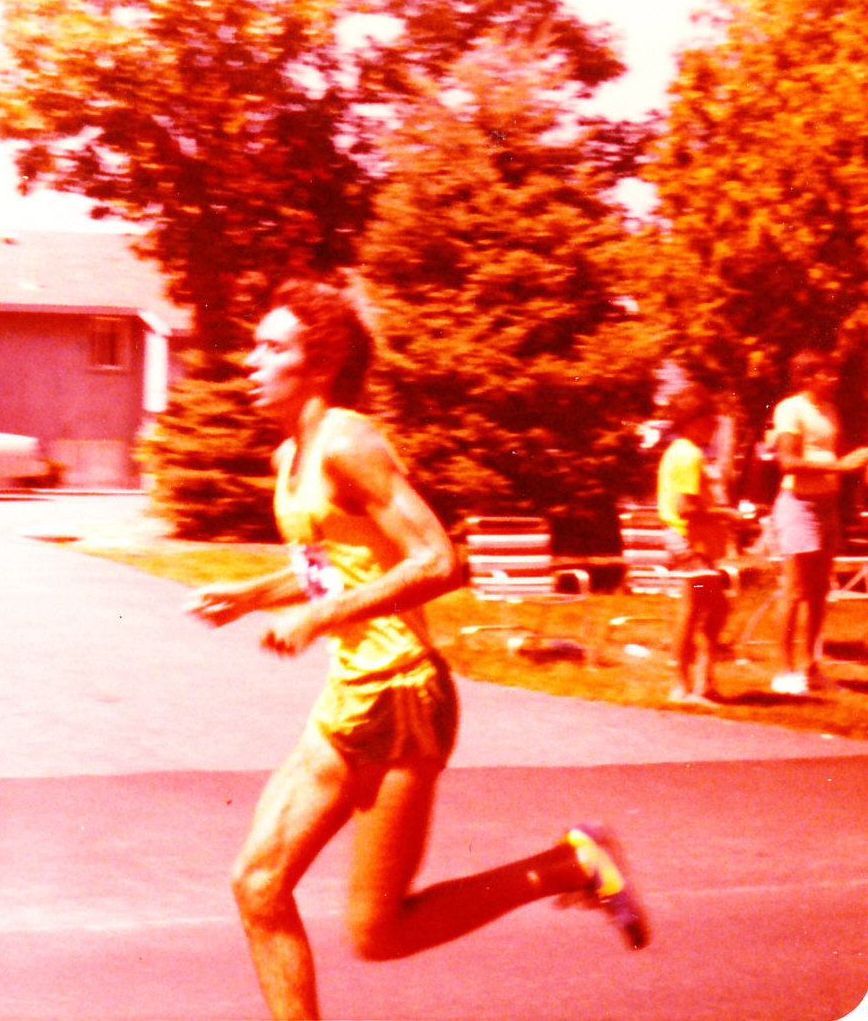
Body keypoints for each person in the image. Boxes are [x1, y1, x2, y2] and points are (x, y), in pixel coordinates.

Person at [185, 279, 648, 1020]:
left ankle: (572, 865)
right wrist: (250, 595)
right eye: (254, 345)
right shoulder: (291, 456)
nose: (250, 361)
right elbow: (334, 564)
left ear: (322, 363)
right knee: (258, 885)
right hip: (352, 692)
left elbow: (438, 561)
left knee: (379, 932)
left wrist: (319, 617)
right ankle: (573, 864)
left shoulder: (348, 441)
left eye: (272, 347)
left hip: (403, 694)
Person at [768, 350, 868, 695]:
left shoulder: (829, 410)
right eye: (827, 374)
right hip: (798, 506)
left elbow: (830, 453)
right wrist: (839, 467)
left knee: (819, 592)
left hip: (827, 505)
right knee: (795, 590)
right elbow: (787, 462)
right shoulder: (790, 409)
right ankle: (784, 672)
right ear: (807, 377)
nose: (835, 379)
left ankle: (810, 668)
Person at [656, 385, 744, 703]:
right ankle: (682, 685)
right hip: (688, 540)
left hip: (698, 542)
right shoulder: (688, 455)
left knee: (716, 608)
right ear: (691, 420)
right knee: (694, 610)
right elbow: (685, 508)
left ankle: (702, 681)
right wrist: (725, 514)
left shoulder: (684, 451)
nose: (715, 426)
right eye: (710, 420)